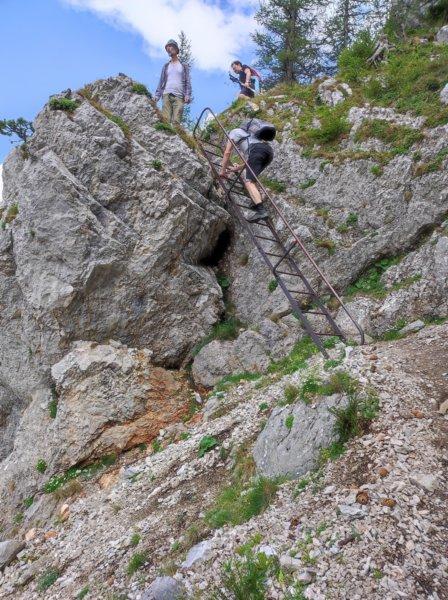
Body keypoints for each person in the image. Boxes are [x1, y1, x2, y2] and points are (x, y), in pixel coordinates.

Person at [219, 120, 275, 222]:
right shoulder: (252, 135)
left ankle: (261, 210)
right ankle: (257, 201)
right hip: (268, 152)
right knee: (252, 179)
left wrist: (222, 171)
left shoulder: (234, 132)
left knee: (249, 182)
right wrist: (237, 168)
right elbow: (250, 162)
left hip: (256, 151)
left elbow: (227, 153)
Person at [154, 39, 192, 125]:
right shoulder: (166, 66)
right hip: (166, 94)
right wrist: (157, 95)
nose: (169, 49)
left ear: (176, 49)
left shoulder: (184, 66)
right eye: (167, 48)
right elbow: (161, 82)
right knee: (165, 120)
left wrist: (187, 95)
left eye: (171, 46)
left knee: (176, 122)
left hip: (179, 96)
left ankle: (176, 133)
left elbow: (187, 82)